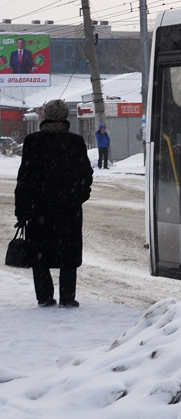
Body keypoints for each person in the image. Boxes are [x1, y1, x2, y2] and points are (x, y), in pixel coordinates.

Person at [15, 99, 93, 308]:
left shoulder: (33, 142)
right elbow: (85, 174)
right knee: (68, 253)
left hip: (38, 209)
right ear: (65, 117)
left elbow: (25, 178)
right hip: (68, 209)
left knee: (40, 254)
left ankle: (44, 297)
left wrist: (22, 210)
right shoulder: (75, 142)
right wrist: (78, 197)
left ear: (45, 117)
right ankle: (67, 297)